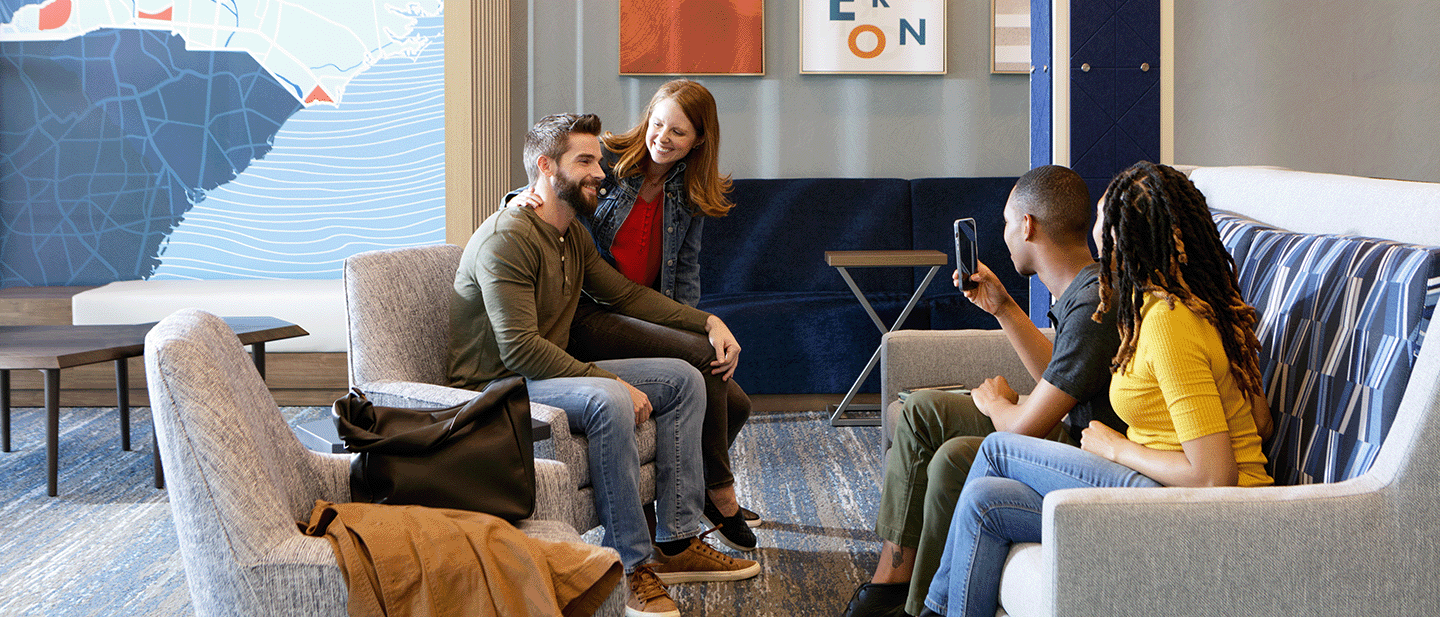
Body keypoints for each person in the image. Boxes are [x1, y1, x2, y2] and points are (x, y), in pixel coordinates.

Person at [922, 161, 1274, 616]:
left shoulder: (1168, 322)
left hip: (1202, 513)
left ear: (1128, 241)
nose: (1097, 248)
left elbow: (1214, 477)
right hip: (1168, 492)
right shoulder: (1189, 307)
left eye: (1104, 233)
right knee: (983, 501)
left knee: (997, 450)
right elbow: (1260, 424)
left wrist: (1118, 449)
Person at [449, 112, 759, 617]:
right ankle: (629, 566)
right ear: (546, 167)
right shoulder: (508, 239)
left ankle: (676, 540)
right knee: (610, 399)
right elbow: (519, 350)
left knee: (685, 379)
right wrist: (608, 378)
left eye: (598, 160)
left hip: (547, 373)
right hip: (499, 384)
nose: (600, 172)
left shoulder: (570, 234)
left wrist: (707, 321)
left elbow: (626, 296)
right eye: (585, 161)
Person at [843, 165, 1126, 617]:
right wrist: (1004, 307)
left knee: (954, 457)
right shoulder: (1083, 291)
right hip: (1072, 431)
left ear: (1027, 225)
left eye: (1007, 222)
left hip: (1085, 450)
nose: (1005, 233)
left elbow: (1025, 429)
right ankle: (892, 583)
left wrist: (997, 404)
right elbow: (1060, 376)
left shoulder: (1094, 303)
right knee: (922, 410)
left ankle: (912, 603)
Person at [510, 79, 759, 552]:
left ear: (699, 140)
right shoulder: (606, 162)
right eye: (657, 124)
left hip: (641, 310)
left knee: (737, 404)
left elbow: (685, 271)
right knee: (703, 361)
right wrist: (516, 199)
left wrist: (695, 322)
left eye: (678, 132)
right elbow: (547, 185)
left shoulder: (689, 190)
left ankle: (689, 487)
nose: (662, 137)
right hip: (590, 309)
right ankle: (718, 494)